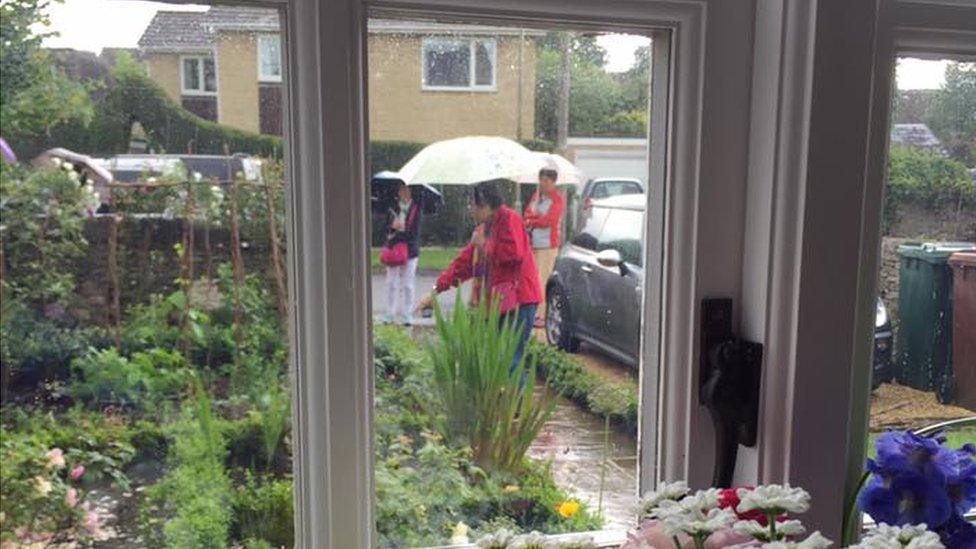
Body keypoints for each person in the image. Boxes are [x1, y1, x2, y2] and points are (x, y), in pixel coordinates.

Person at [416, 181, 542, 370]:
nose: (470, 208)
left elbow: (514, 254)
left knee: (510, 361)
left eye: (472, 204)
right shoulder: (485, 227)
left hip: (520, 301)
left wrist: (485, 244)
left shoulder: (510, 219)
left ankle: (517, 399)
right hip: (500, 302)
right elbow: (464, 263)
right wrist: (436, 290)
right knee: (495, 360)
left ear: (484, 204)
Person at [523, 168, 565, 328]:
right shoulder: (537, 197)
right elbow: (527, 214)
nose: (543, 184)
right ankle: (533, 311)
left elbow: (549, 220)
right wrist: (533, 219)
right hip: (533, 242)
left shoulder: (557, 200)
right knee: (532, 278)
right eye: (541, 180)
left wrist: (532, 221)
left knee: (542, 278)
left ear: (554, 182)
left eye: (547, 181)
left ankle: (541, 314)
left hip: (547, 245)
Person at [384, 183, 422, 325]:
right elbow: (386, 229)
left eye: (407, 190)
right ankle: (390, 313)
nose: (404, 193)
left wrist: (401, 231)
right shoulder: (393, 208)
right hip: (394, 250)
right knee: (391, 283)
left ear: (411, 192)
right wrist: (392, 227)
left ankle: (407, 314)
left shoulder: (416, 209)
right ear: (398, 192)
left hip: (411, 251)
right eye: (402, 190)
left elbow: (414, 233)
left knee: (408, 284)